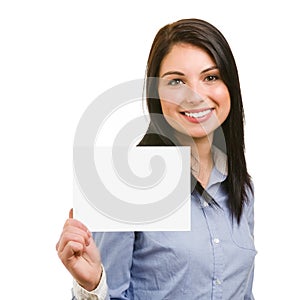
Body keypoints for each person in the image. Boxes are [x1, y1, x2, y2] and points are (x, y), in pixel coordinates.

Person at [56, 18, 256, 299]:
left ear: (229, 86)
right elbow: (109, 292)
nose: (195, 96)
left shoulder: (240, 188)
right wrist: (91, 286)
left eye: (210, 77)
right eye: (176, 81)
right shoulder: (124, 185)